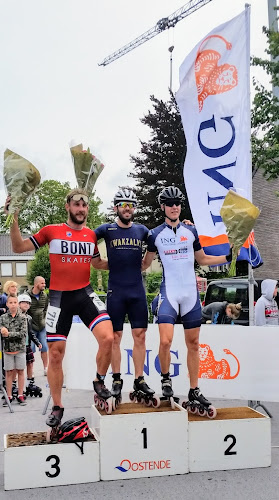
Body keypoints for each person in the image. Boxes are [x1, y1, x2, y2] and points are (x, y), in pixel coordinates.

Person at [5, 188, 114, 425]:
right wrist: (13, 217)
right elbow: (18, 248)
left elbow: (98, 264)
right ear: (68, 207)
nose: (81, 209)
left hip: (84, 292)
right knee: (55, 354)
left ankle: (98, 380)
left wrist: (129, 258)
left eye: (84, 206)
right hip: (59, 297)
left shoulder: (91, 235)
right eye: (76, 205)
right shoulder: (51, 231)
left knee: (108, 338)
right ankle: (57, 406)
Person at [142, 186, 234, 412]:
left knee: (193, 344)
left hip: (190, 294)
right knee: (165, 341)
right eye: (170, 204)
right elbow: (145, 264)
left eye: (177, 203)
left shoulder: (190, 232)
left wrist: (227, 256)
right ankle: (165, 379)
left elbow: (202, 259)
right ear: (163, 207)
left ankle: (194, 390)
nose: (174, 207)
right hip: (169, 292)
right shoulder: (155, 235)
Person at [92, 188, 156, 402]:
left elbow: (157, 240)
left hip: (137, 291)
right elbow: (87, 237)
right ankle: (117, 378)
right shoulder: (107, 229)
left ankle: (139, 379)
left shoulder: (141, 230)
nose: (127, 209)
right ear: (116, 208)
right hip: (116, 291)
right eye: (123, 205)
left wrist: (146, 263)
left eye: (131, 205)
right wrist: (99, 262)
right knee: (115, 338)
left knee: (140, 336)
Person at [0, 295, 27, 406]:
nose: (13, 304)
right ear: (7, 304)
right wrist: (3, 331)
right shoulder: (2, 318)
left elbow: (23, 334)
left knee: (20, 371)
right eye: (10, 302)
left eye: (15, 302)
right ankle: (9, 396)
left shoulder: (22, 317)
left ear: (18, 303)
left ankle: (20, 395)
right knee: (9, 372)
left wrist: (8, 334)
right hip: (7, 350)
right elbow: (2, 330)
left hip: (20, 349)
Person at [18, 293, 43, 397]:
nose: (26, 304)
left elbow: (31, 332)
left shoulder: (28, 317)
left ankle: (30, 384)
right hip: (18, 345)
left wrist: (37, 342)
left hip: (27, 344)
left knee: (30, 364)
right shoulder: (16, 317)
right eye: (24, 302)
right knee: (18, 367)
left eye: (28, 303)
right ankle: (16, 386)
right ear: (19, 303)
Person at [27, 276, 48, 375]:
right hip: (31, 327)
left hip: (42, 327)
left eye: (44, 283)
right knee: (31, 349)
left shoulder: (44, 296)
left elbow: (45, 309)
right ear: (36, 284)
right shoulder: (27, 296)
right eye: (42, 283)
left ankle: (45, 368)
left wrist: (43, 320)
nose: (44, 285)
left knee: (44, 347)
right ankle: (31, 370)